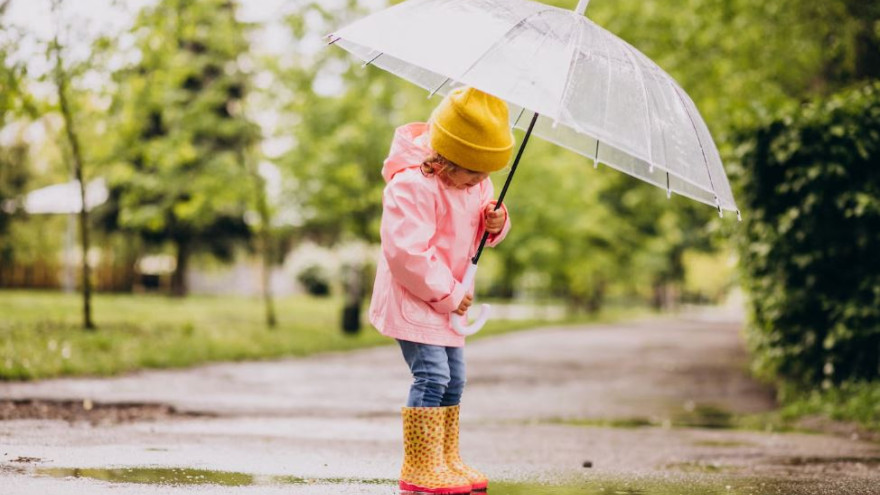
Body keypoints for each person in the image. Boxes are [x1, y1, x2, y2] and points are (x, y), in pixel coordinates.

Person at [369, 87, 514, 494]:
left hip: (449, 302)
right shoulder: (411, 187)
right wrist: (449, 294)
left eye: (488, 176)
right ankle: (419, 465)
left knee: (455, 380)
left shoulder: (475, 186)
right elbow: (406, 253)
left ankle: (444, 458)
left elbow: (479, 238)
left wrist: (496, 224)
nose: (482, 183)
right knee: (432, 375)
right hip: (416, 299)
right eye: (474, 173)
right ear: (446, 159)